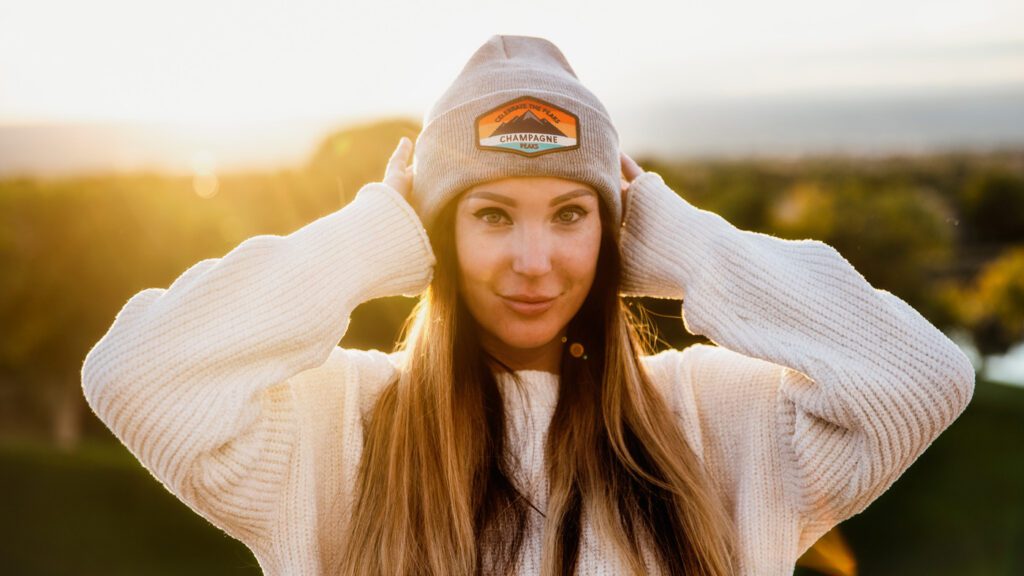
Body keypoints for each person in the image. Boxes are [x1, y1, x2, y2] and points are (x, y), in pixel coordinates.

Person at [80, 35, 975, 576]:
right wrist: (374, 235)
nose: (535, 262)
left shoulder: (716, 422)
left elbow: (921, 378)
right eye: (492, 215)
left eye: (572, 214)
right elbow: (137, 375)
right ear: (438, 234)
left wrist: (686, 242)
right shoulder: (337, 429)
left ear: (615, 230)